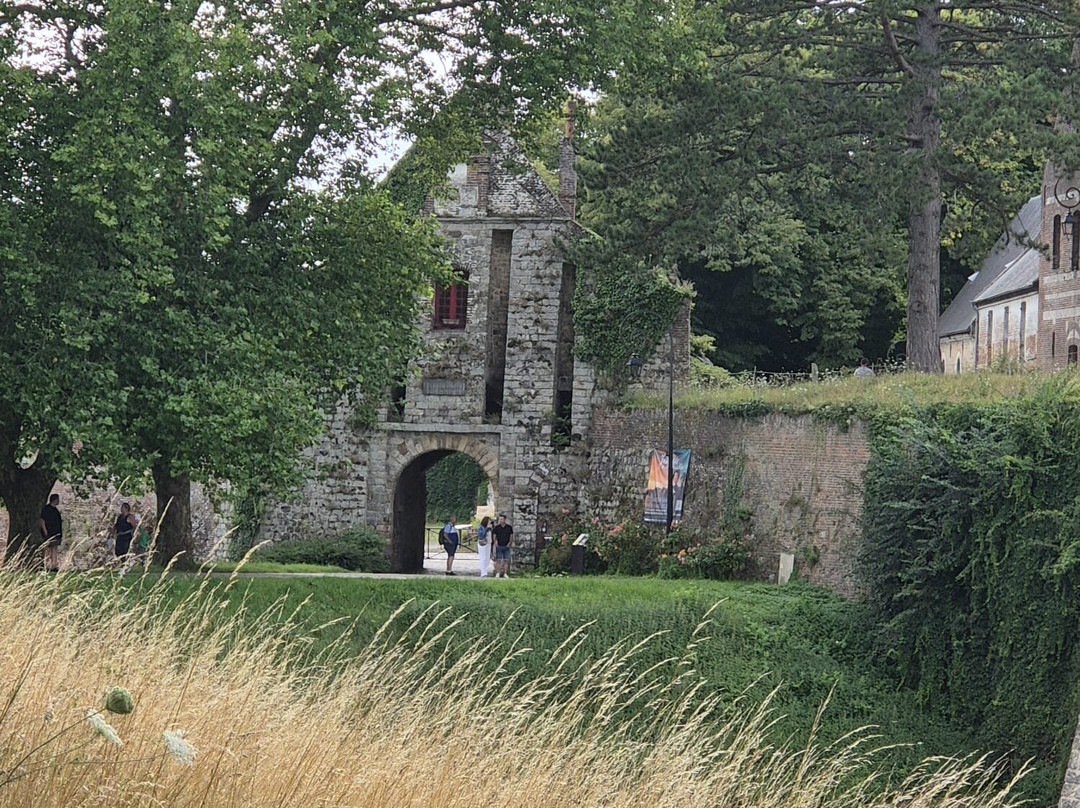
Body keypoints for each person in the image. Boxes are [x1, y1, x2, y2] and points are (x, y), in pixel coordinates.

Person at [38, 493, 62, 572]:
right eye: (58, 499)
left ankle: (54, 565)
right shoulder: (47, 509)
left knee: (54, 548)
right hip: (49, 533)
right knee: (48, 549)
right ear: (55, 500)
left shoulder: (55, 510)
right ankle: (47, 565)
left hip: (56, 533)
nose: (59, 501)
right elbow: (42, 521)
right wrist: (45, 531)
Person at [491, 513, 514, 578]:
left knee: (506, 560)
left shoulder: (509, 527)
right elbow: (494, 535)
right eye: (499, 519)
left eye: (501, 519)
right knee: (498, 559)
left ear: (504, 520)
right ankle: (498, 572)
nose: (500, 520)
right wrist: (495, 542)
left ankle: (505, 573)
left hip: (506, 545)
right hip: (499, 546)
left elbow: (511, 536)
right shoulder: (497, 528)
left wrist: (509, 543)